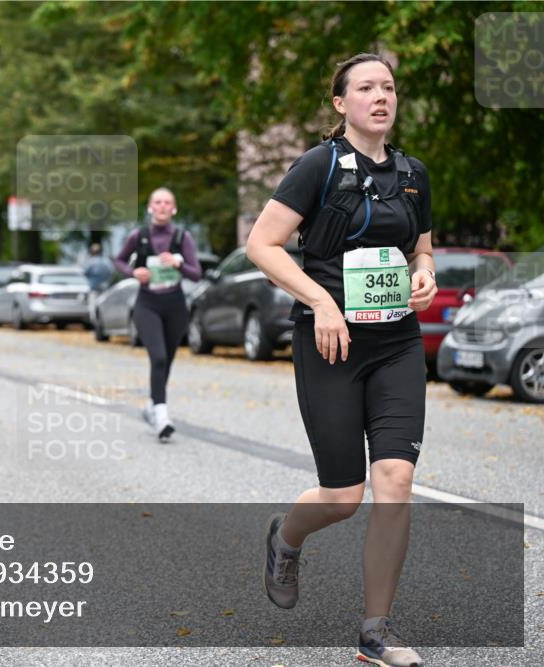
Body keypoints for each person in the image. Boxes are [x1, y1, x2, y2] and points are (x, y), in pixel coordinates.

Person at [247, 53, 436, 667]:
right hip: (330, 343)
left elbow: (421, 250)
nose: (380, 97)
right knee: (344, 494)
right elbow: (262, 244)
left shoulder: (412, 173)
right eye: (365, 88)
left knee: (395, 480)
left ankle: (375, 633)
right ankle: (286, 536)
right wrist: (321, 301)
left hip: (397, 342)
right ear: (340, 103)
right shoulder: (318, 165)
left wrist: (425, 274)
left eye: (388, 87)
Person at [114, 187, 201, 442]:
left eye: (167, 202)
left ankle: (152, 405)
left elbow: (196, 274)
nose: (162, 206)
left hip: (175, 306)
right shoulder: (139, 236)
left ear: (173, 209)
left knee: (166, 361)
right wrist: (133, 272)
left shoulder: (182, 237)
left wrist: (178, 264)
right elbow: (119, 261)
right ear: (150, 208)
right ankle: (162, 417)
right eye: (157, 202)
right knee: (159, 357)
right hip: (147, 304)